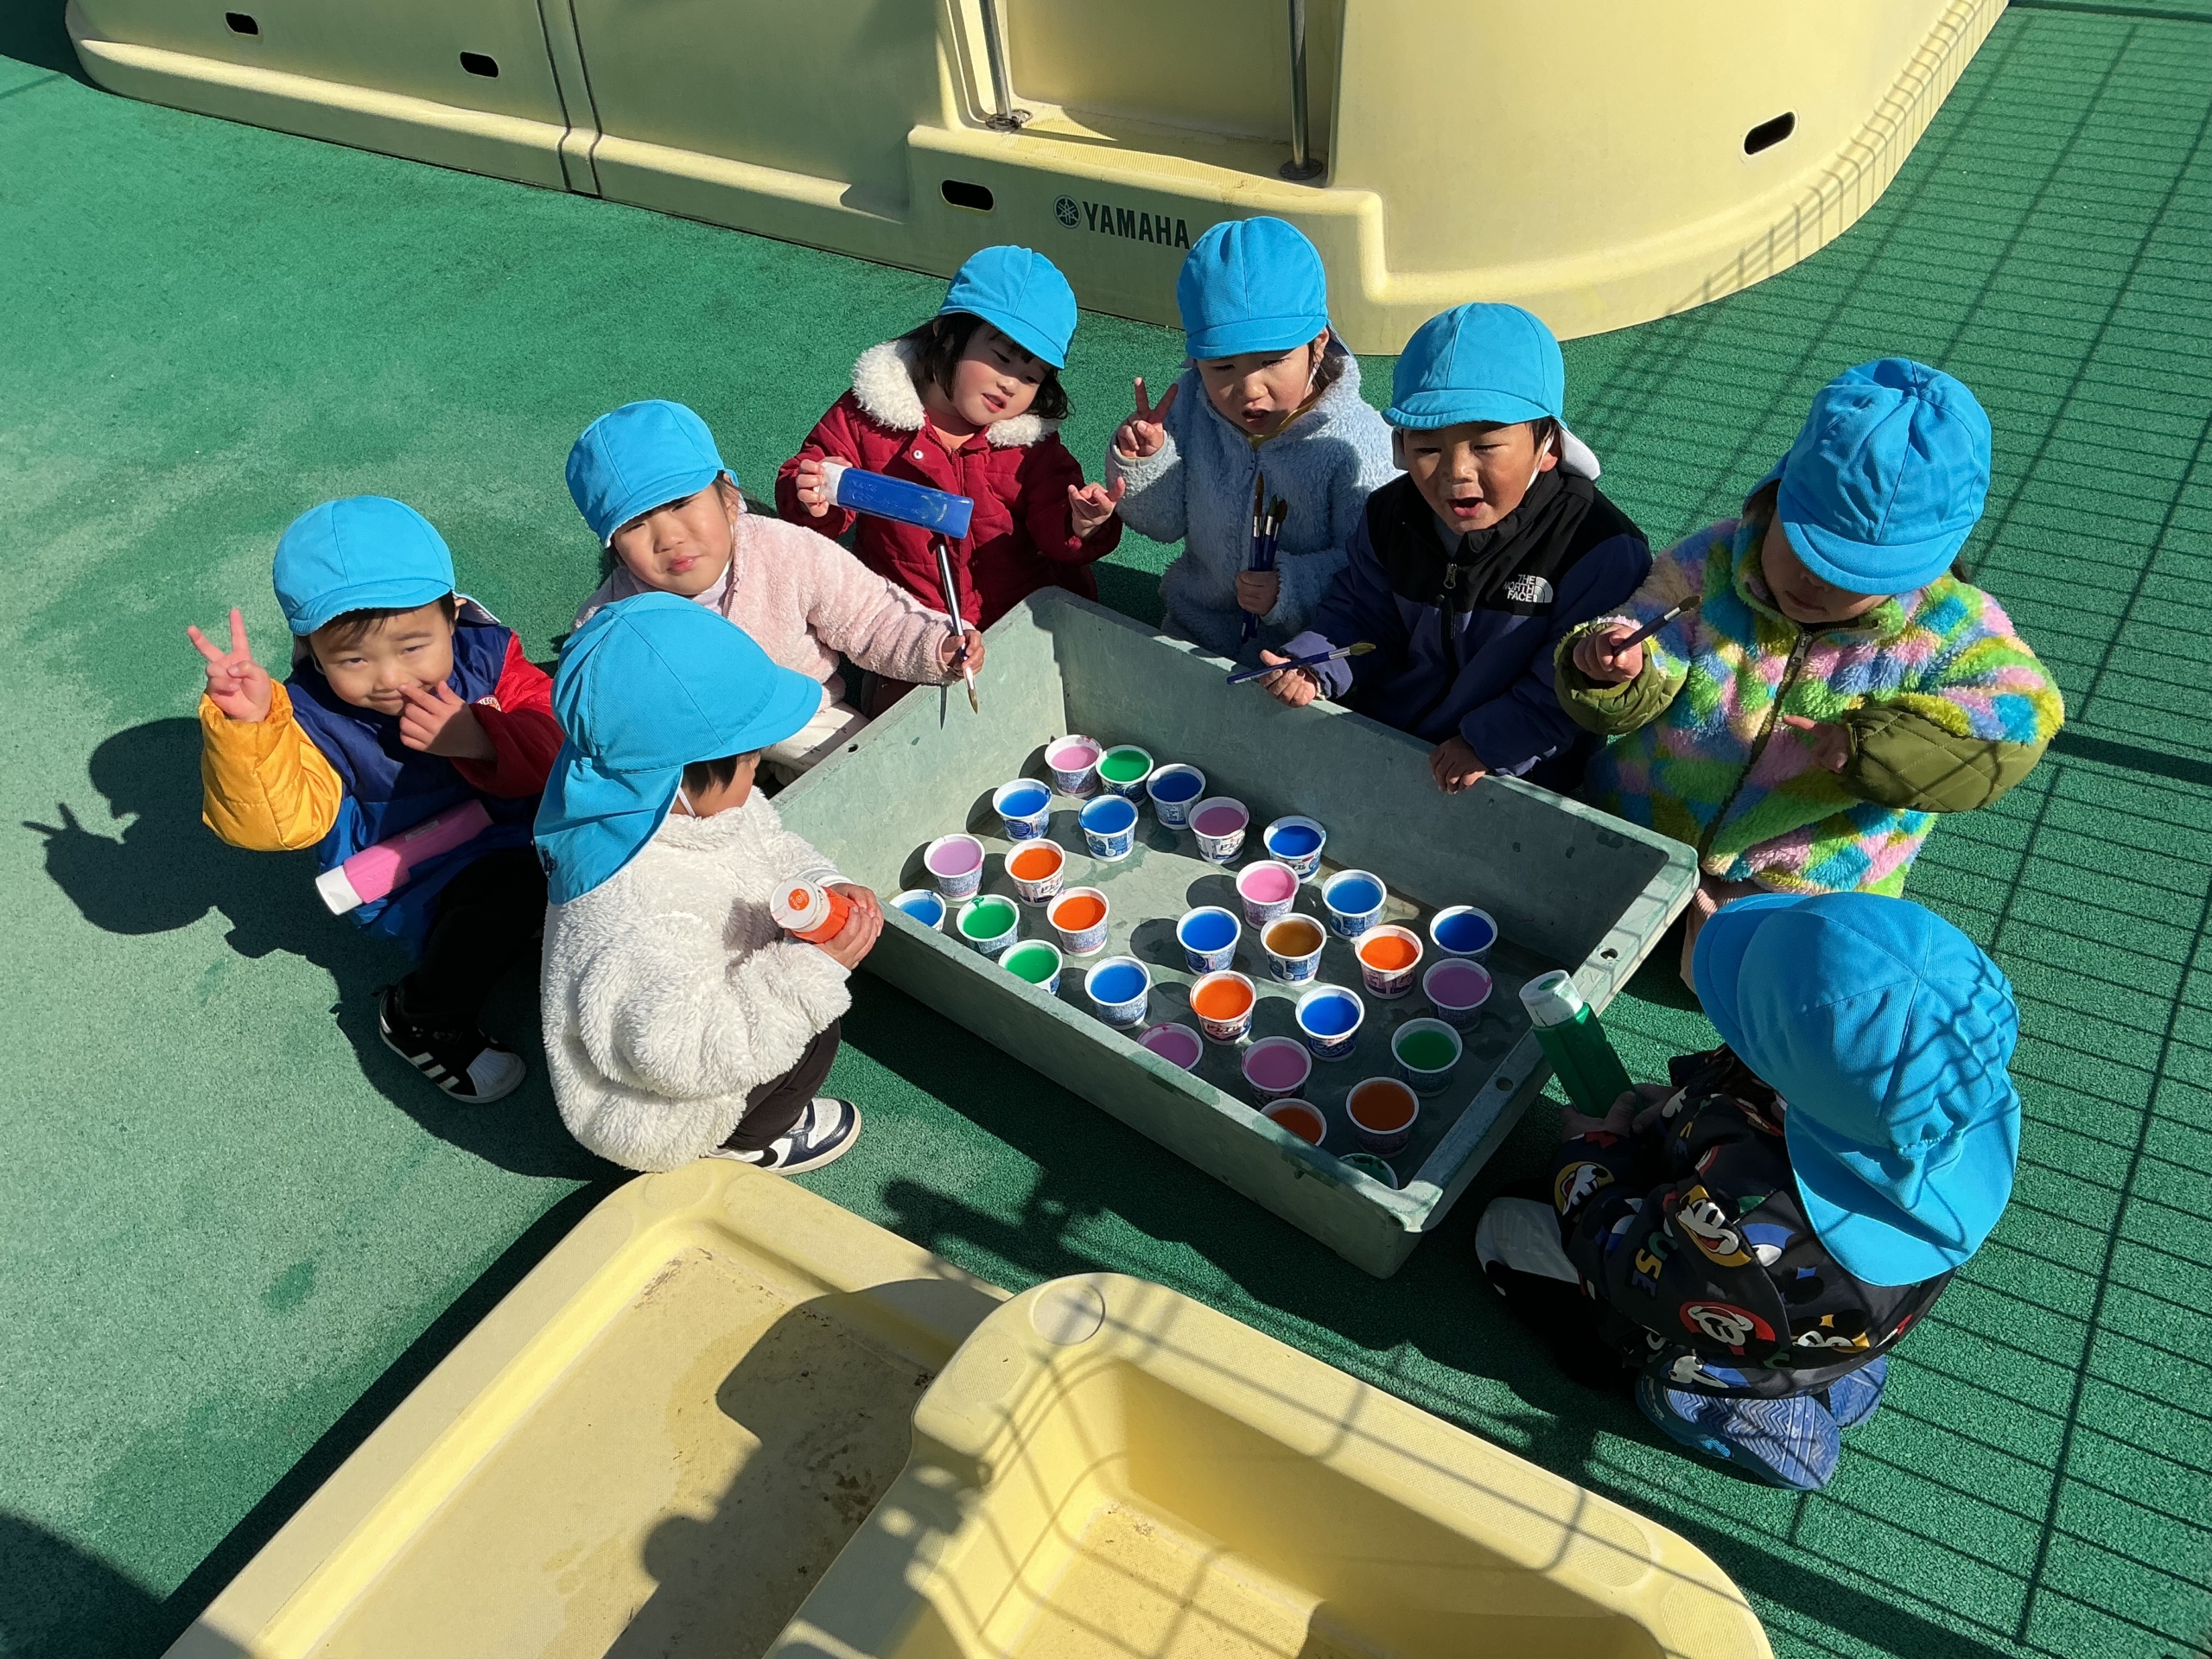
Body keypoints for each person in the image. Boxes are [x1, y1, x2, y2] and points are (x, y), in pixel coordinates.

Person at [1475, 892, 2022, 1491]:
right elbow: (1757, 1081)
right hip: (1842, 1318)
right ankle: (1835, 1374)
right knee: (1809, 1319)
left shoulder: (1747, 1214)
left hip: (1725, 1319)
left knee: (1501, 1229)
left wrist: (1591, 1157)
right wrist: (1680, 1107)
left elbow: (1637, 1266)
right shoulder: (1949, 1103)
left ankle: (1721, 1400)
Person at [1554, 359, 2063, 976]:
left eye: (1852, 573)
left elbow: (2021, 720)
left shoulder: (1951, 625)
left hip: (1801, 873)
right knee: (1563, 925)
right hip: (1648, 821)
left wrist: (1875, 748)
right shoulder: (1712, 560)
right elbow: (1646, 627)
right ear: (1774, 501)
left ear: (1920, 566)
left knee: (1754, 990)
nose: (1812, 581)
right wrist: (1617, 668)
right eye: (1804, 545)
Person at [188, 497, 560, 1102]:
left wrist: (482, 739)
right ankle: (419, 1018)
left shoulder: (489, 659)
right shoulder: (306, 719)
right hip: (420, 870)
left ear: (453, 615)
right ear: (312, 651)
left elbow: (562, 738)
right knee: (506, 899)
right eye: (354, 659)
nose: (390, 678)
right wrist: (249, 729)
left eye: (413, 647)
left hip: (527, 822)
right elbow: (280, 824)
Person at [536, 593, 883, 1173]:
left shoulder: (648, 792)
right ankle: (740, 1141)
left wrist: (821, 881)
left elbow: (769, 843)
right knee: (814, 1037)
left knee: (802, 1013)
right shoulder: (640, 912)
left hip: (688, 1009)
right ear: (677, 780)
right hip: (654, 1105)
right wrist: (807, 976)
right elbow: (679, 1055)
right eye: (750, 762)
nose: (757, 771)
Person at [1255, 302, 1649, 795]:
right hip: (1393, 741)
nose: (1455, 471)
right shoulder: (1391, 515)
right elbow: (1362, 615)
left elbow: (1569, 684)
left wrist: (1487, 743)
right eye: (1427, 448)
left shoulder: (1597, 547)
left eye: (1485, 445)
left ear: (1548, 444)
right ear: (1401, 447)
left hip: (1519, 775)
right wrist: (1315, 662)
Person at [777, 245, 1122, 707]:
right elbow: (813, 475)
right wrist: (812, 494)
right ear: (946, 332)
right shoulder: (868, 416)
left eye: (1032, 376)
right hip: (911, 622)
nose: (1010, 384)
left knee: (1049, 709)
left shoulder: (1029, 445)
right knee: (905, 724)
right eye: (1002, 357)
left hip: (1015, 617)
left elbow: (1057, 529)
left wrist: (1082, 523)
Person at [569, 399, 981, 780]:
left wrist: (937, 644)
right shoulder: (612, 621)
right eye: (635, 525)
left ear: (728, 499)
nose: (669, 538)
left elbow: (872, 616)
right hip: (695, 750)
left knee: (876, 772)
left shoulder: (785, 550)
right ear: (616, 548)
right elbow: (604, 713)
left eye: (681, 504)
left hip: (801, 715)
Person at [1104, 216, 1396, 663]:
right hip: (1195, 631)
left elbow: (1370, 568)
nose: (1249, 389)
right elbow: (1163, 525)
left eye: (1273, 361)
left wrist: (1289, 587)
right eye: (1222, 367)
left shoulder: (1359, 443)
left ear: (1318, 345)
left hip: (1302, 655)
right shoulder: (1190, 409)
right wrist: (1146, 460)